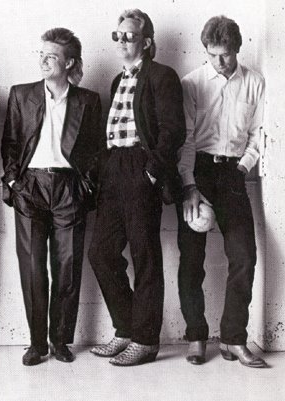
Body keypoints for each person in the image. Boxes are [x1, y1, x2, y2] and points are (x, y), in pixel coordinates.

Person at [88, 9, 186, 366]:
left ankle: (145, 341)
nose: (121, 40)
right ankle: (127, 328)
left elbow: (173, 130)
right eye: (117, 35)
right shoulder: (118, 80)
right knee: (101, 253)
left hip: (140, 167)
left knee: (145, 256)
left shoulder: (161, 76)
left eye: (129, 35)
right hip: (114, 168)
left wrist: (151, 173)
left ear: (146, 42)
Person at [1, 28, 101, 366]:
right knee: (32, 267)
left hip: (69, 188)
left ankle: (59, 341)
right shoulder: (21, 94)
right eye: (41, 54)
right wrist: (14, 181)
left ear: (69, 63)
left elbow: (95, 150)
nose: (43, 61)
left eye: (52, 56)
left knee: (67, 266)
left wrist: (86, 185)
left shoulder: (88, 100)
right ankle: (36, 343)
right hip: (30, 186)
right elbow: (11, 142)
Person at [177, 16, 267, 368]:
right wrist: (189, 185)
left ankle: (233, 338)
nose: (219, 62)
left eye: (225, 55)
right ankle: (196, 337)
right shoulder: (192, 83)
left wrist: (243, 167)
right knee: (191, 259)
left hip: (233, 173)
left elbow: (258, 134)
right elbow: (186, 138)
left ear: (237, 50)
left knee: (244, 256)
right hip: (197, 171)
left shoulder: (254, 83)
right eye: (212, 54)